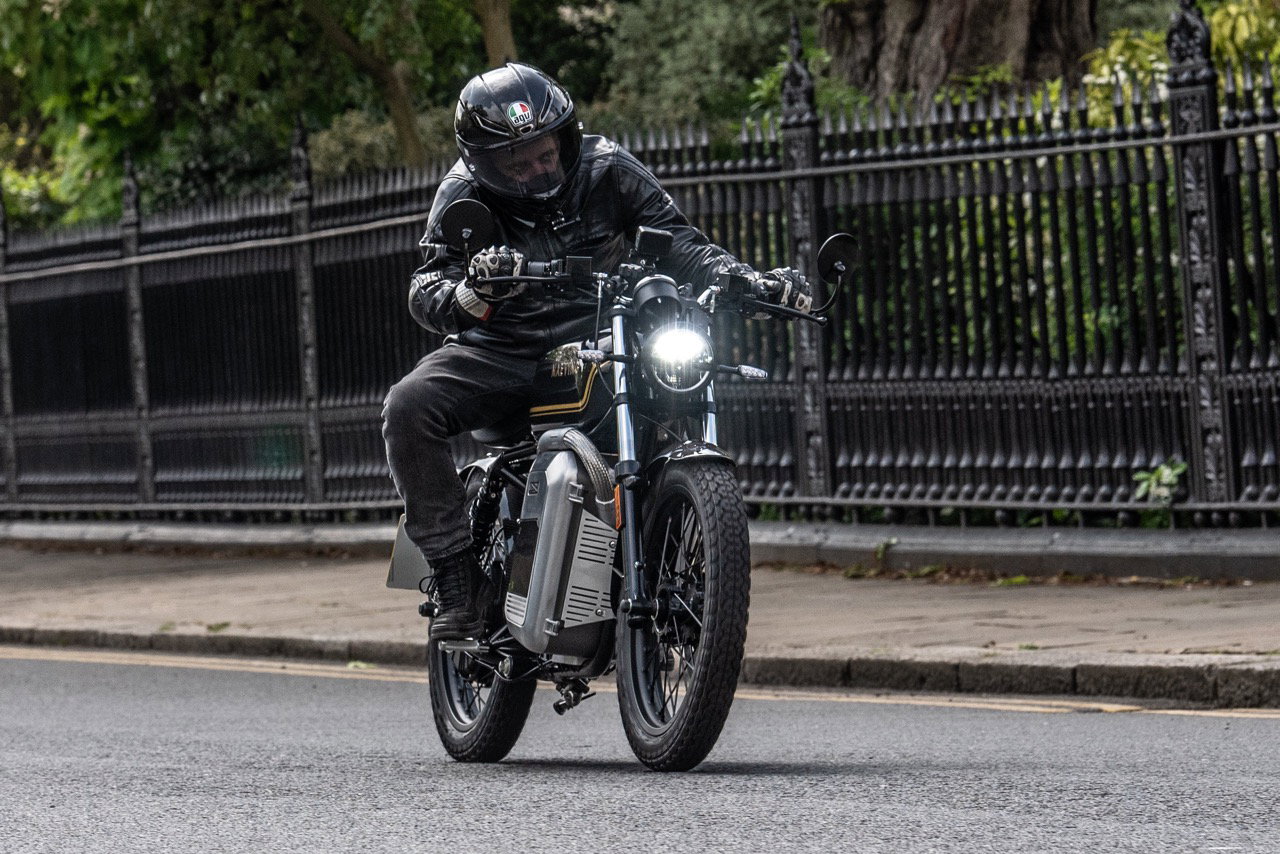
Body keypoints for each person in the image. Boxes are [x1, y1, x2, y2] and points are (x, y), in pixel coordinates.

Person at [382, 62, 813, 641]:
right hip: (502, 350)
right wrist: (473, 291)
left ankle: (654, 542)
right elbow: (427, 285)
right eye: (517, 163)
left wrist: (745, 280)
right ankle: (458, 580)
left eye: (545, 153)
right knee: (408, 406)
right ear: (487, 165)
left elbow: (680, 242)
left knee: (676, 378)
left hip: (602, 340)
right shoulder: (462, 192)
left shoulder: (608, 167)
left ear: (564, 138)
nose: (538, 169)